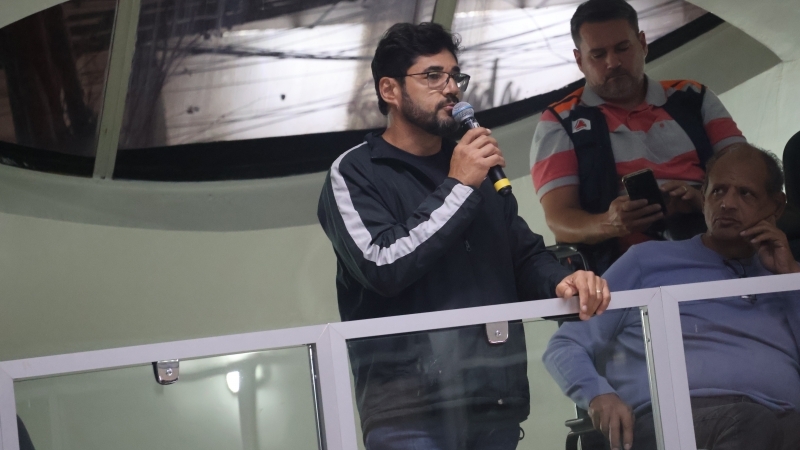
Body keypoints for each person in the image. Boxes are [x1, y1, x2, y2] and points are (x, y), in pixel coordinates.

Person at [317, 22, 611, 450]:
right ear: (389, 90)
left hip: (493, 399)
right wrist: (459, 185)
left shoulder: (474, 166)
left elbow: (522, 257)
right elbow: (382, 266)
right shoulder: (356, 172)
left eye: (455, 76)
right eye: (433, 76)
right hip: (409, 412)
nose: (451, 88)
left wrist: (561, 283)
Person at [543, 143, 800, 450]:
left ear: (777, 206)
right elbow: (565, 345)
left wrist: (790, 276)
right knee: (750, 422)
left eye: (746, 194)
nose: (728, 204)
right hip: (672, 423)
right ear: (703, 195)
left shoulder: (786, 273)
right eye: (718, 191)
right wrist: (598, 395)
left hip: (782, 422)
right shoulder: (646, 261)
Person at [530, 0, 746, 274]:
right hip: (625, 269)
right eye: (598, 55)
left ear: (643, 43)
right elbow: (559, 220)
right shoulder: (560, 121)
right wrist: (610, 223)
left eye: (623, 48)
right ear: (579, 60)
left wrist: (703, 201)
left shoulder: (694, 97)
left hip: (718, 248)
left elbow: (748, 177)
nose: (613, 62)